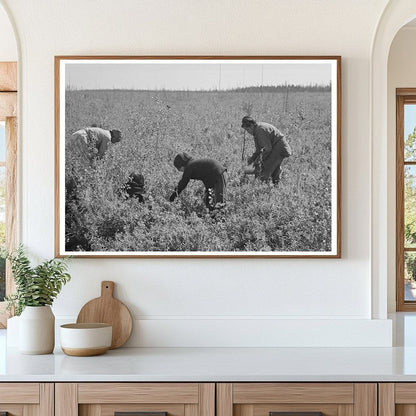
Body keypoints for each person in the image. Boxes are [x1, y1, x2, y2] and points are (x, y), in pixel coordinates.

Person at [241, 116, 291, 184]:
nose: (248, 132)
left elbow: (267, 149)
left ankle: (261, 189)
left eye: (247, 129)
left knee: (264, 171)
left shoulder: (260, 130)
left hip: (278, 148)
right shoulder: (257, 130)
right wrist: (251, 159)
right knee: (274, 172)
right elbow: (259, 150)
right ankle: (275, 188)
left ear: (252, 125)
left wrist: (257, 161)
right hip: (276, 148)